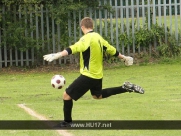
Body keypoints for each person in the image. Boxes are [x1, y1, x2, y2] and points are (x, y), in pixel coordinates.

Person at [43, 17, 145, 128]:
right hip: (98, 75)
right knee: (98, 96)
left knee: (67, 95)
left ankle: (67, 122)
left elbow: (73, 48)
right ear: (92, 26)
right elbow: (111, 49)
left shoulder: (86, 38)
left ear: (82, 27)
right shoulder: (99, 37)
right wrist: (124, 57)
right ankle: (125, 88)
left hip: (88, 75)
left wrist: (57, 55)